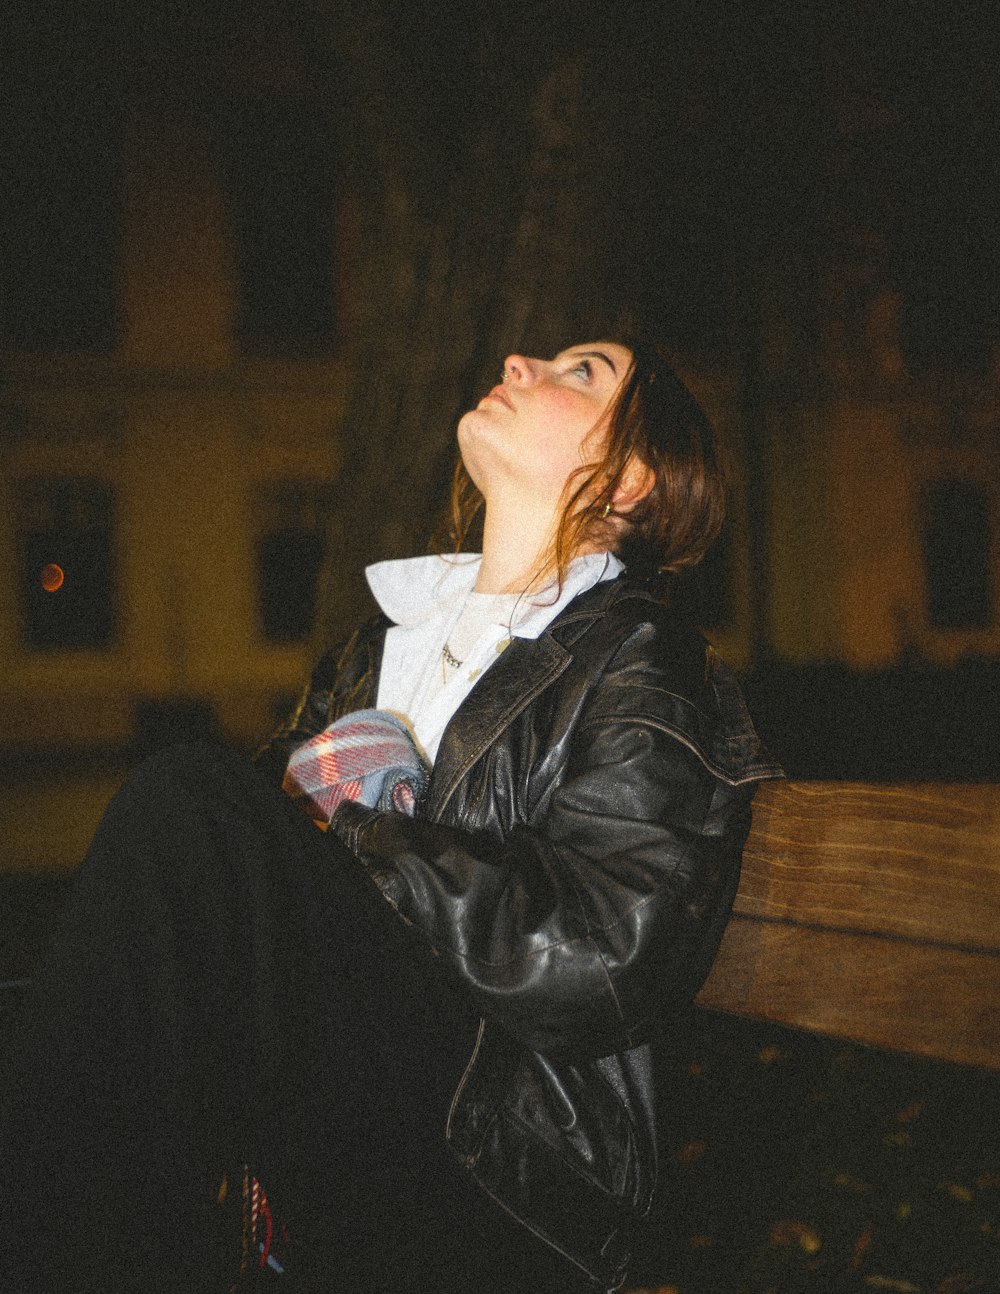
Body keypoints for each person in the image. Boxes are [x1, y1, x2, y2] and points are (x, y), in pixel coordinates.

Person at [2, 337, 781, 1294]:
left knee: (188, 808)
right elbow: (259, 866)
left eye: (586, 373)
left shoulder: (644, 666)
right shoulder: (385, 644)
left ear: (628, 482)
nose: (522, 360)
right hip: (357, 1083)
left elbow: (600, 955)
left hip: (509, 1150)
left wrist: (364, 827)